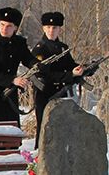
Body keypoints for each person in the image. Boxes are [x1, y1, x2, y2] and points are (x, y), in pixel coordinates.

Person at [30, 11, 85, 147]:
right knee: (44, 128)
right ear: (43, 28)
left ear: (60, 29)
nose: (51, 31)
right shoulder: (39, 49)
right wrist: (70, 75)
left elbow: (70, 65)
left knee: (61, 127)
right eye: (48, 27)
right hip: (45, 93)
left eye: (54, 28)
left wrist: (83, 69)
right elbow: (44, 75)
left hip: (61, 92)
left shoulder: (62, 48)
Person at [0, 7, 38, 123]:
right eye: (2, 24)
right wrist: (13, 80)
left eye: (9, 26)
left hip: (11, 92)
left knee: (12, 130)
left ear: (15, 28)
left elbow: (27, 59)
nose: (4, 29)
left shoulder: (19, 42)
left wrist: (37, 65)